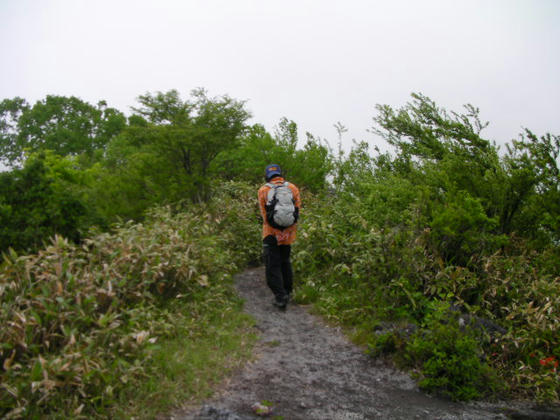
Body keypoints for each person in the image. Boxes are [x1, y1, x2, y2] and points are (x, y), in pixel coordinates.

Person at [258, 164, 301, 310]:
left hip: (270, 233)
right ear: (280, 174)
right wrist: (287, 232)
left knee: (272, 265)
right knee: (285, 262)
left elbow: (265, 215)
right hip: (288, 233)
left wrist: (276, 233)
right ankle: (287, 292)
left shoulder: (263, 190)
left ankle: (280, 297)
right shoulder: (293, 188)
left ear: (267, 176)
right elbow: (296, 213)